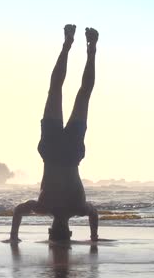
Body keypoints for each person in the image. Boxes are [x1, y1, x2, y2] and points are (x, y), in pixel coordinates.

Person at [8, 24, 99, 242]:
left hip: (69, 153)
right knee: (59, 91)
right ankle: (73, 47)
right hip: (54, 151)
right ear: (50, 231)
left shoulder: (77, 208)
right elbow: (18, 211)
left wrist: (94, 235)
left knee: (82, 95)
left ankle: (87, 50)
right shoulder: (43, 206)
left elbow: (93, 213)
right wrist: (13, 236)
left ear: (68, 232)